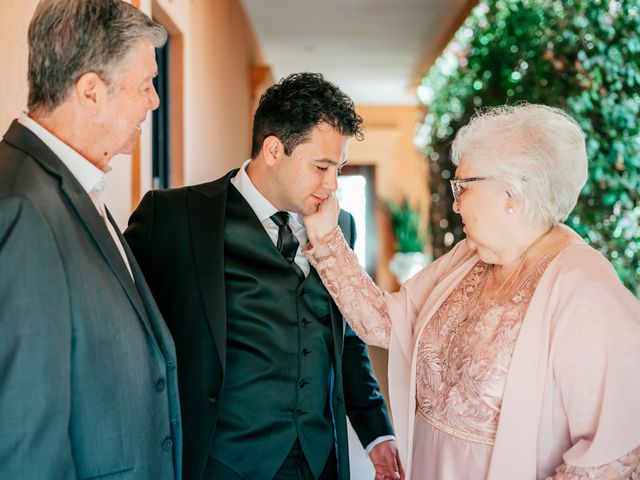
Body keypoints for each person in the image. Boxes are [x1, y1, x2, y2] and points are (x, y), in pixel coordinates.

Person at [303, 104, 640, 479]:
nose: (456, 202)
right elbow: (382, 322)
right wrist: (326, 238)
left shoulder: (586, 288)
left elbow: (615, 454)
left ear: (511, 194)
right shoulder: (468, 258)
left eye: (463, 186)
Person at [124, 72, 402, 480]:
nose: (332, 185)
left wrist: (377, 432)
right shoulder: (173, 218)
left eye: (338, 169)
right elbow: (129, 335)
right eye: (322, 167)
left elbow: (348, 340)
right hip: (221, 464)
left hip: (318, 461)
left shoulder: (340, 224)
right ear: (273, 150)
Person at [0, 1, 181, 478]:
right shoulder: (21, 206)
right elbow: (24, 438)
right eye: (145, 84)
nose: (154, 101)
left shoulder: (74, 187)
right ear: (91, 92)